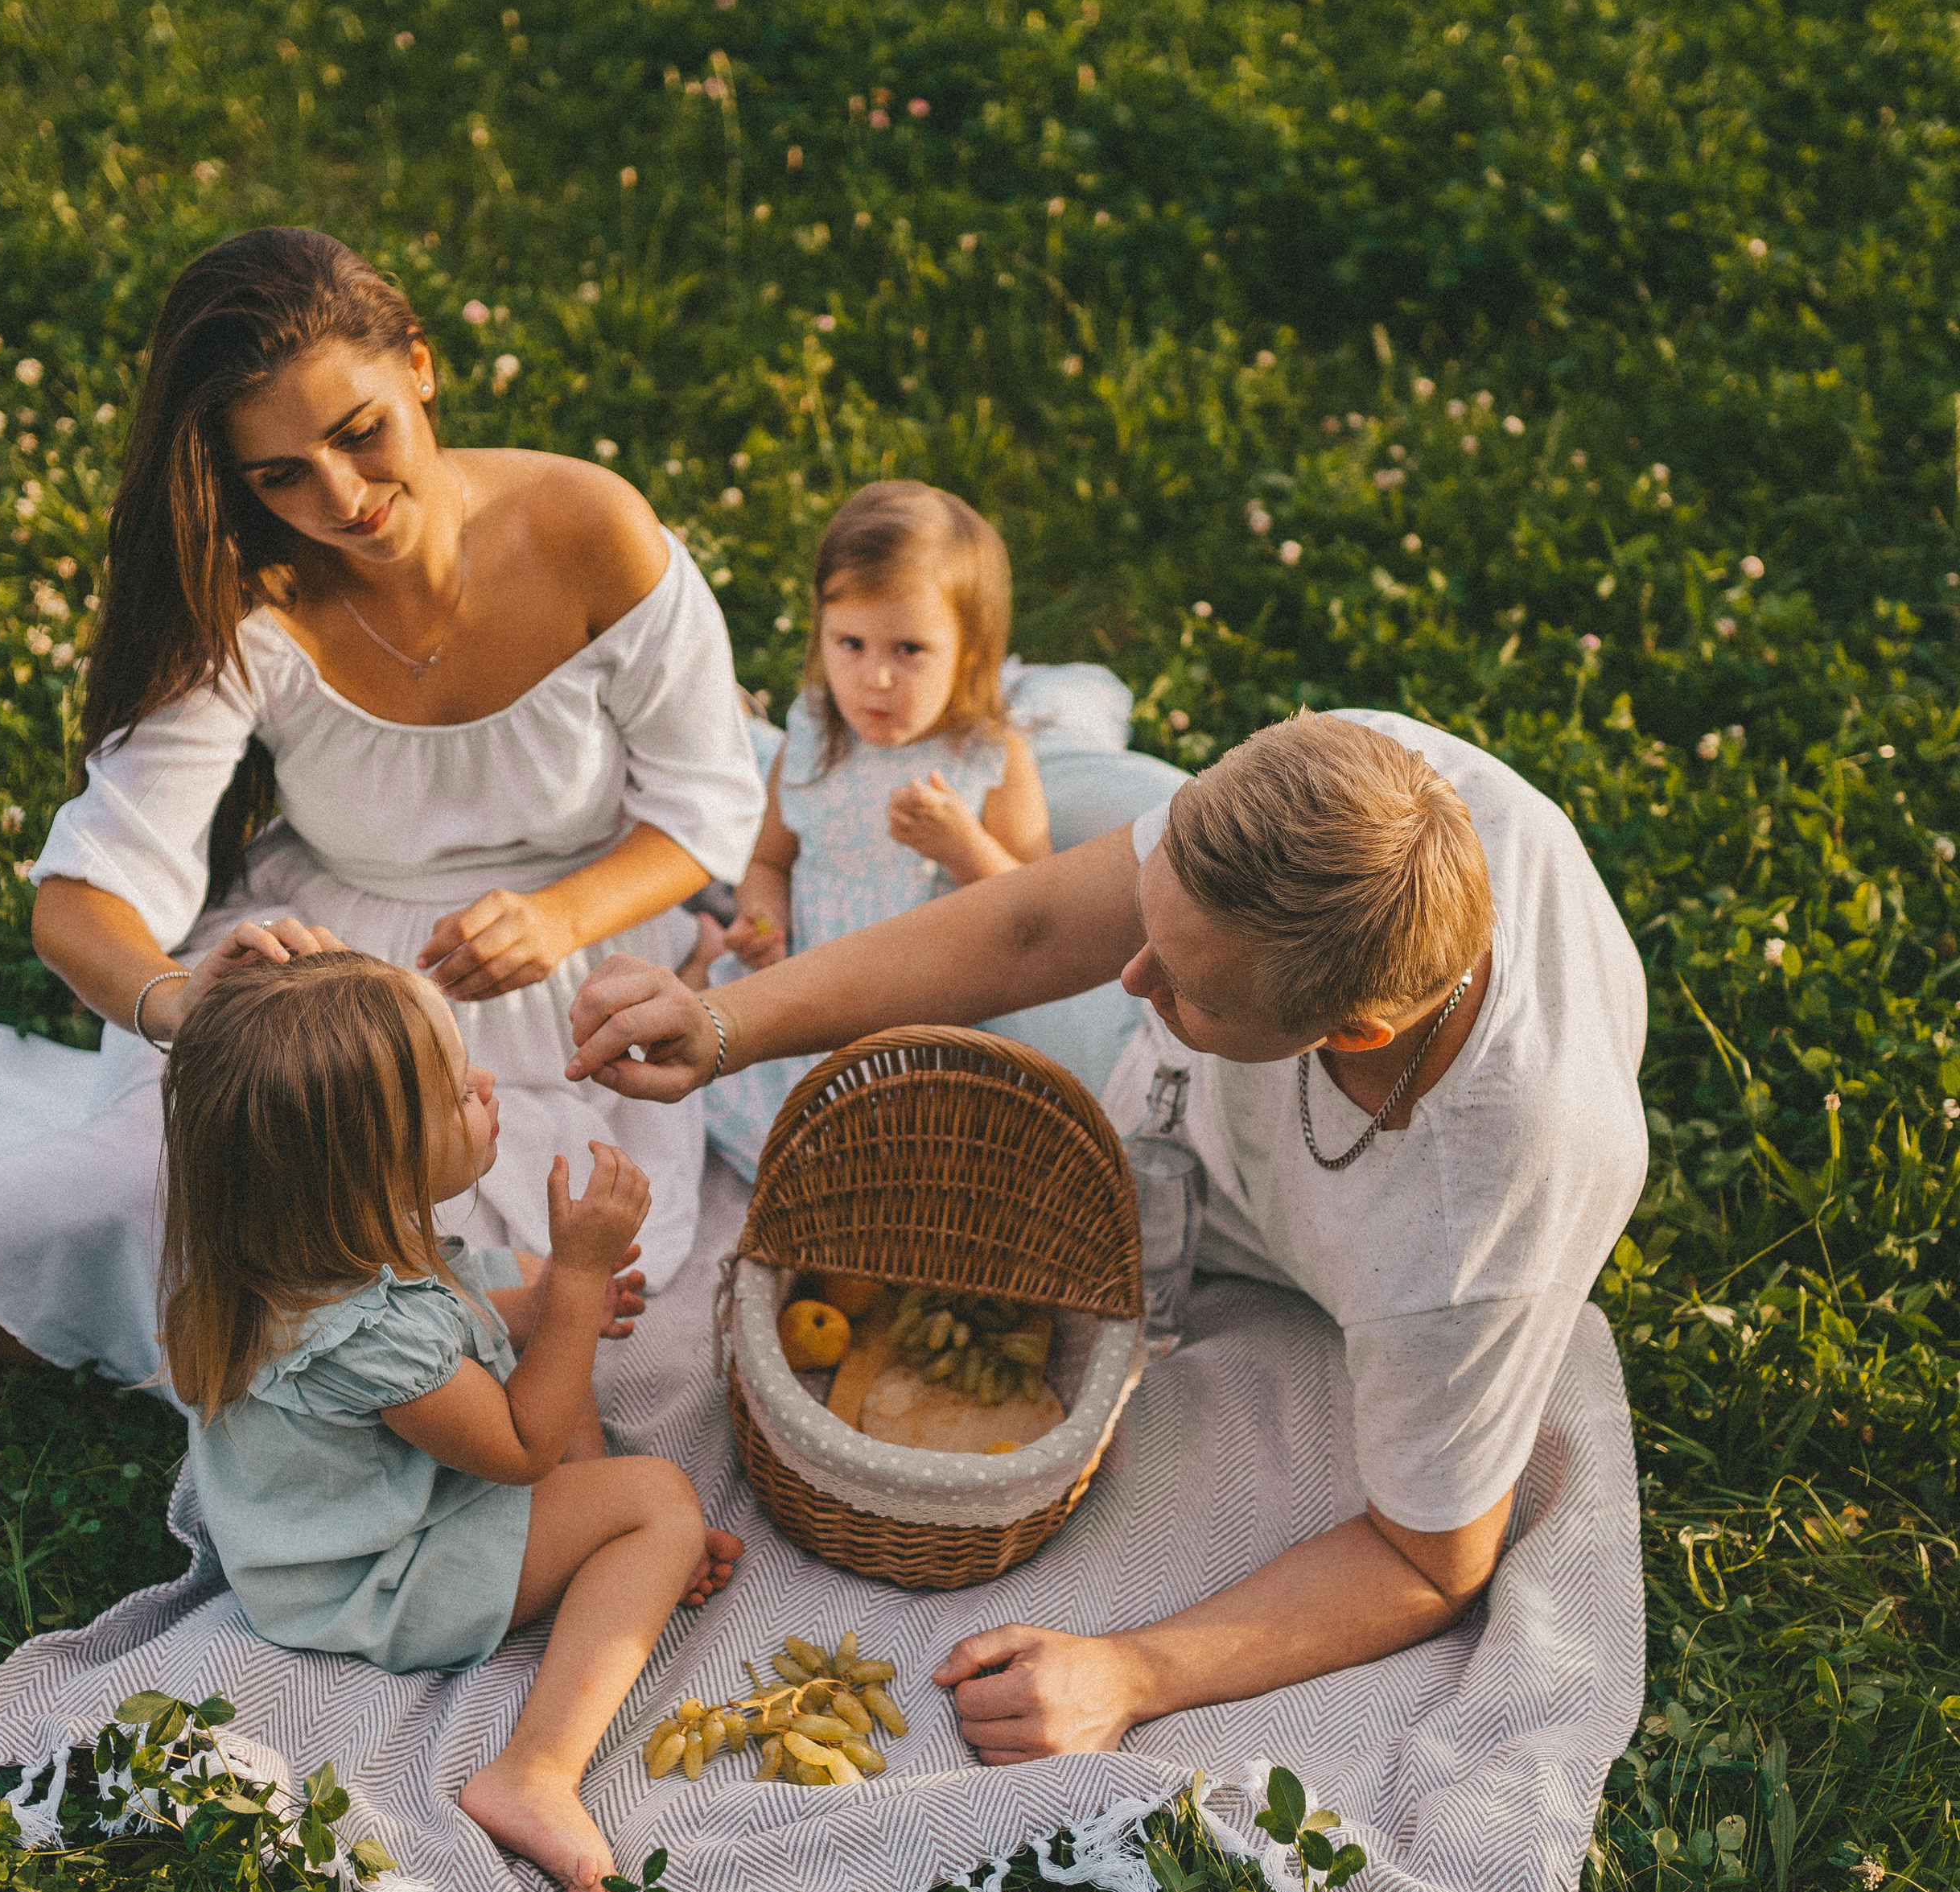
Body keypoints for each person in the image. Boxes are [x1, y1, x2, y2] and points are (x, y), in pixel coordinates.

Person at [563, 707, 1649, 1758]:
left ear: (1355, 1032)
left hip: (1272, 1195)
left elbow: (1430, 1564)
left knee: (1003, 793)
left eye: (1181, 985)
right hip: (1189, 1109)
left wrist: (1135, 1673)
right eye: (1147, 921)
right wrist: (723, 1024)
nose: (1132, 978)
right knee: (962, 782)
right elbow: (1033, 924)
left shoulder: (1465, 1239)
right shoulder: (1370, 785)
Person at [0, 228, 764, 1389]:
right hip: (326, 984)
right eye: (280, 476)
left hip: (565, 995)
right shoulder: (255, 599)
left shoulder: (591, 530)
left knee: (364, 1282)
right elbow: (79, 903)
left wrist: (559, 917)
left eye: (360, 435)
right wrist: (180, 1008)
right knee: (172, 1192)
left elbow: (707, 808)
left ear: (417, 362)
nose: (343, 498)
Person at [164, 949, 732, 1892]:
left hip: (360, 1510)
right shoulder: (371, 1334)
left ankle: (600, 1549)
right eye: (450, 1093)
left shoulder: (307, 1248)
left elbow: (471, 1319)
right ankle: (534, 1769)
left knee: (543, 1317)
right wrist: (580, 1279)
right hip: (374, 1577)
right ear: (366, 1166)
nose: (484, 1086)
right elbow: (522, 1448)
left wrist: (550, 1299)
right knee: (660, 1497)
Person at [688, 480, 1051, 1177]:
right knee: (729, 1085)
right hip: (812, 1000)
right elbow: (768, 860)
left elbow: (1041, 908)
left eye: (910, 650)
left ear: (969, 653)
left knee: (918, 1162)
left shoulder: (987, 759)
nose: (875, 678)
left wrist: (963, 844)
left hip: (928, 1020)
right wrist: (765, 922)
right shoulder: (818, 739)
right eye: (849, 643)